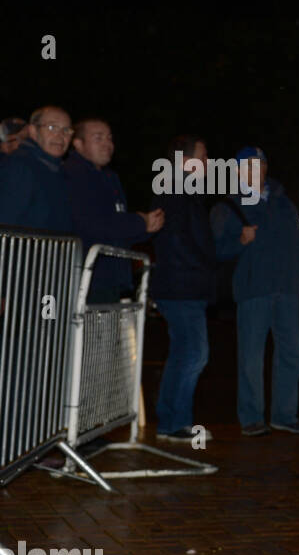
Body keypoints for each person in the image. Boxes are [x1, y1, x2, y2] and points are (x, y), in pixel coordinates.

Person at [210, 146, 299, 437]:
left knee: (292, 353)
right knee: (252, 357)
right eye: (251, 165)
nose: (258, 170)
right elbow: (216, 252)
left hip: (287, 288)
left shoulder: (285, 203)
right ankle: (252, 417)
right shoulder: (227, 207)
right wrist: (240, 241)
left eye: (261, 164)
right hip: (253, 289)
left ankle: (284, 415)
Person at [150, 135, 218, 443]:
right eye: (202, 157)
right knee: (193, 353)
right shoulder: (175, 190)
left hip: (186, 284)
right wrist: (201, 267)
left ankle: (176, 422)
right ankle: (172, 422)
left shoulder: (183, 191)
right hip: (181, 286)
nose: (207, 163)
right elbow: (176, 241)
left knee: (187, 353)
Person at [66, 118, 164, 303]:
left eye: (109, 138)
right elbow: (92, 223)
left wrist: (146, 228)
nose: (107, 144)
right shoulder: (73, 176)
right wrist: (139, 222)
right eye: (98, 138)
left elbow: (116, 229)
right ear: (78, 144)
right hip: (86, 280)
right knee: (85, 331)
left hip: (109, 280)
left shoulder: (109, 177)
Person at [0, 106, 74, 232]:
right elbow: (6, 223)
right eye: (52, 127)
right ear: (33, 131)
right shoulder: (19, 166)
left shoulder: (59, 171)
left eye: (66, 130)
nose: (60, 136)